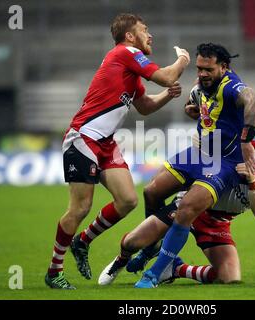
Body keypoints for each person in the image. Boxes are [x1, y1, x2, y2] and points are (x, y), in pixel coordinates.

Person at [44, 13, 191, 289]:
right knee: (80, 208)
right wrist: (183, 59)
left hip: (106, 143)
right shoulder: (126, 52)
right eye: (145, 30)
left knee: (127, 200)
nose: (151, 35)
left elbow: (145, 106)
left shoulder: (129, 69)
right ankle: (54, 272)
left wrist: (166, 96)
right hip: (83, 137)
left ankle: (83, 241)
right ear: (130, 36)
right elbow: (166, 75)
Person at [98, 120, 255, 285]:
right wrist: (203, 137)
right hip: (191, 204)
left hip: (218, 222)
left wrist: (252, 181)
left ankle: (177, 269)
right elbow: (212, 142)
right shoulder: (245, 147)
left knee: (229, 277)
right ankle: (122, 259)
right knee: (132, 242)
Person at [131, 42, 255, 288]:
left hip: (221, 161)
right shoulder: (204, 84)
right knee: (151, 191)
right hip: (199, 152)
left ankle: (156, 273)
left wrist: (246, 141)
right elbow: (197, 99)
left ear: (223, 67)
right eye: (199, 68)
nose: (202, 73)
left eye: (208, 69)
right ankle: (154, 247)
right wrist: (191, 109)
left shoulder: (232, 86)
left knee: (186, 210)